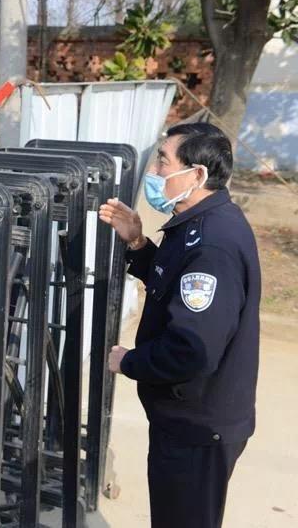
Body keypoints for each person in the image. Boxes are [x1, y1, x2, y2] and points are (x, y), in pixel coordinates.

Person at [98, 122, 260, 528]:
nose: (154, 173)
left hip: (198, 426)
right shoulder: (196, 224)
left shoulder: (213, 245)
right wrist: (138, 244)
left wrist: (130, 361)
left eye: (163, 162)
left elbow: (192, 350)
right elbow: (175, 285)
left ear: (197, 174)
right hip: (188, 418)